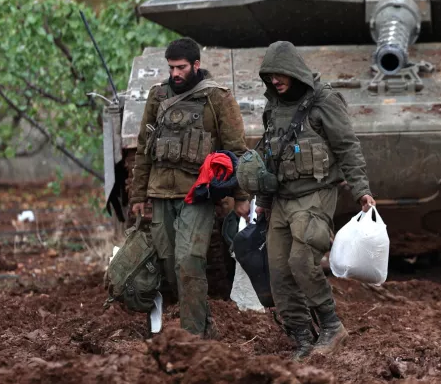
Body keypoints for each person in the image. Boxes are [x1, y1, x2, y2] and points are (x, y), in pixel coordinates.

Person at [251, 40, 375, 359]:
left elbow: (348, 146)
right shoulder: (273, 106)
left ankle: (332, 327)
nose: (275, 80)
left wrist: (362, 189)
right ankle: (303, 338)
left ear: (294, 71)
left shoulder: (324, 101)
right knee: (278, 271)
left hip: (315, 194)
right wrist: (263, 200)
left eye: (280, 74)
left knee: (301, 260)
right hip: (281, 199)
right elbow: (269, 156)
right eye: (270, 75)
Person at [129, 37, 250, 338]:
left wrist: (241, 196)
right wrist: (137, 194)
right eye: (171, 68)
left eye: (181, 67)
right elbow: (145, 149)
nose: (175, 74)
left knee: (190, 261)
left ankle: (192, 336)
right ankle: (202, 321)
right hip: (160, 194)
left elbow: (236, 149)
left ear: (196, 65)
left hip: (197, 195)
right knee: (170, 266)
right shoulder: (157, 97)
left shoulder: (216, 98)